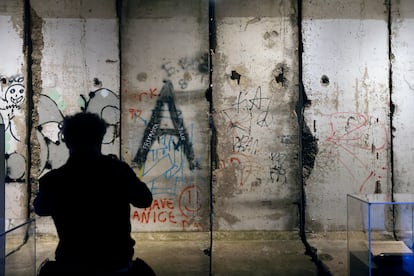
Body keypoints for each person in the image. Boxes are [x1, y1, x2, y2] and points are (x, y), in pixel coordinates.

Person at [34, 112, 155, 275]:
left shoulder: (54, 180)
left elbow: (41, 208)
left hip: (72, 266)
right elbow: (144, 200)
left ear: (67, 141)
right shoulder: (118, 172)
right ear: (100, 138)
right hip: (116, 265)